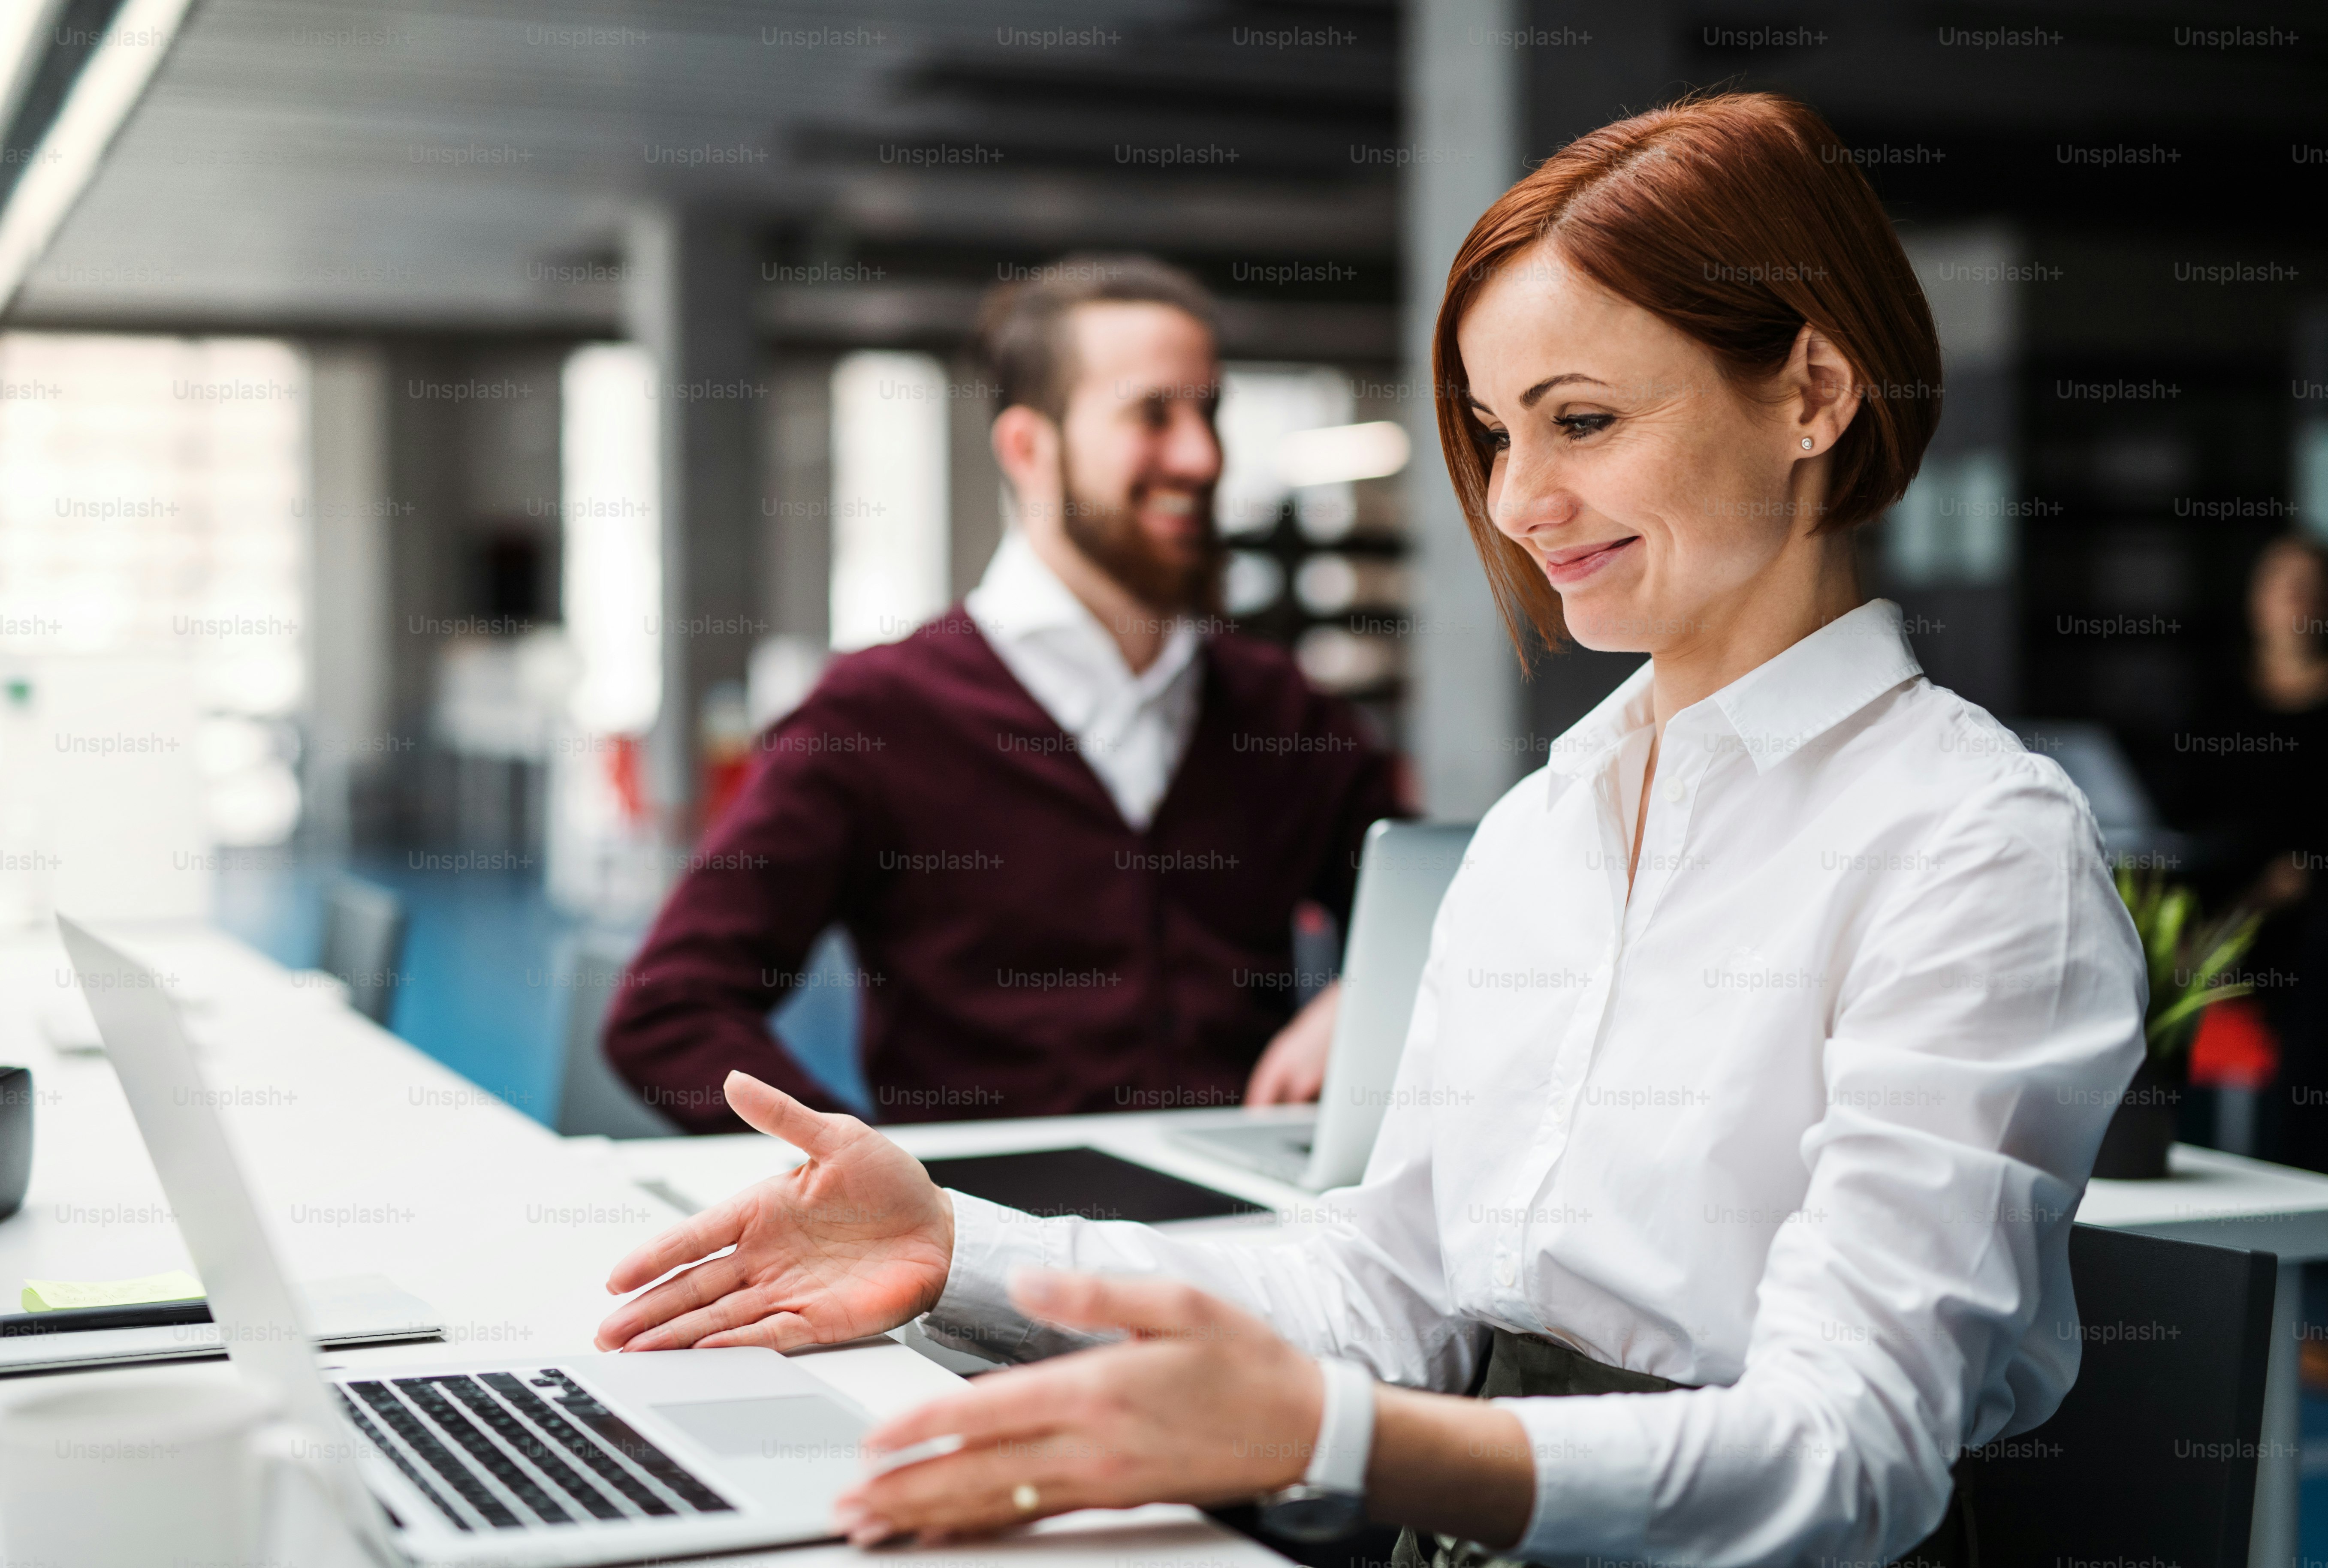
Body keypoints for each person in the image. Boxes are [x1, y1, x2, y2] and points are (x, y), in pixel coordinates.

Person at [592, 93, 2143, 1567]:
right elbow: (1384, 1289)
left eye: (1580, 419)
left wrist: (1337, 1432)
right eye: (1490, 432)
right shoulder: (1541, 832)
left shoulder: (1971, 843)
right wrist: (954, 1245)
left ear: (1809, 393)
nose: (1521, 501)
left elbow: (1844, 1456)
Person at [603, 256, 1402, 1132]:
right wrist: (864, 1179)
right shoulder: (874, 716)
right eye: (1152, 414)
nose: (1201, 456)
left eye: (1209, 413)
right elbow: (669, 1009)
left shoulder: (1284, 713)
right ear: (1028, 447)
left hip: (1251, 1242)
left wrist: (1370, 996)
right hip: (993, 1246)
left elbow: (1445, 922)